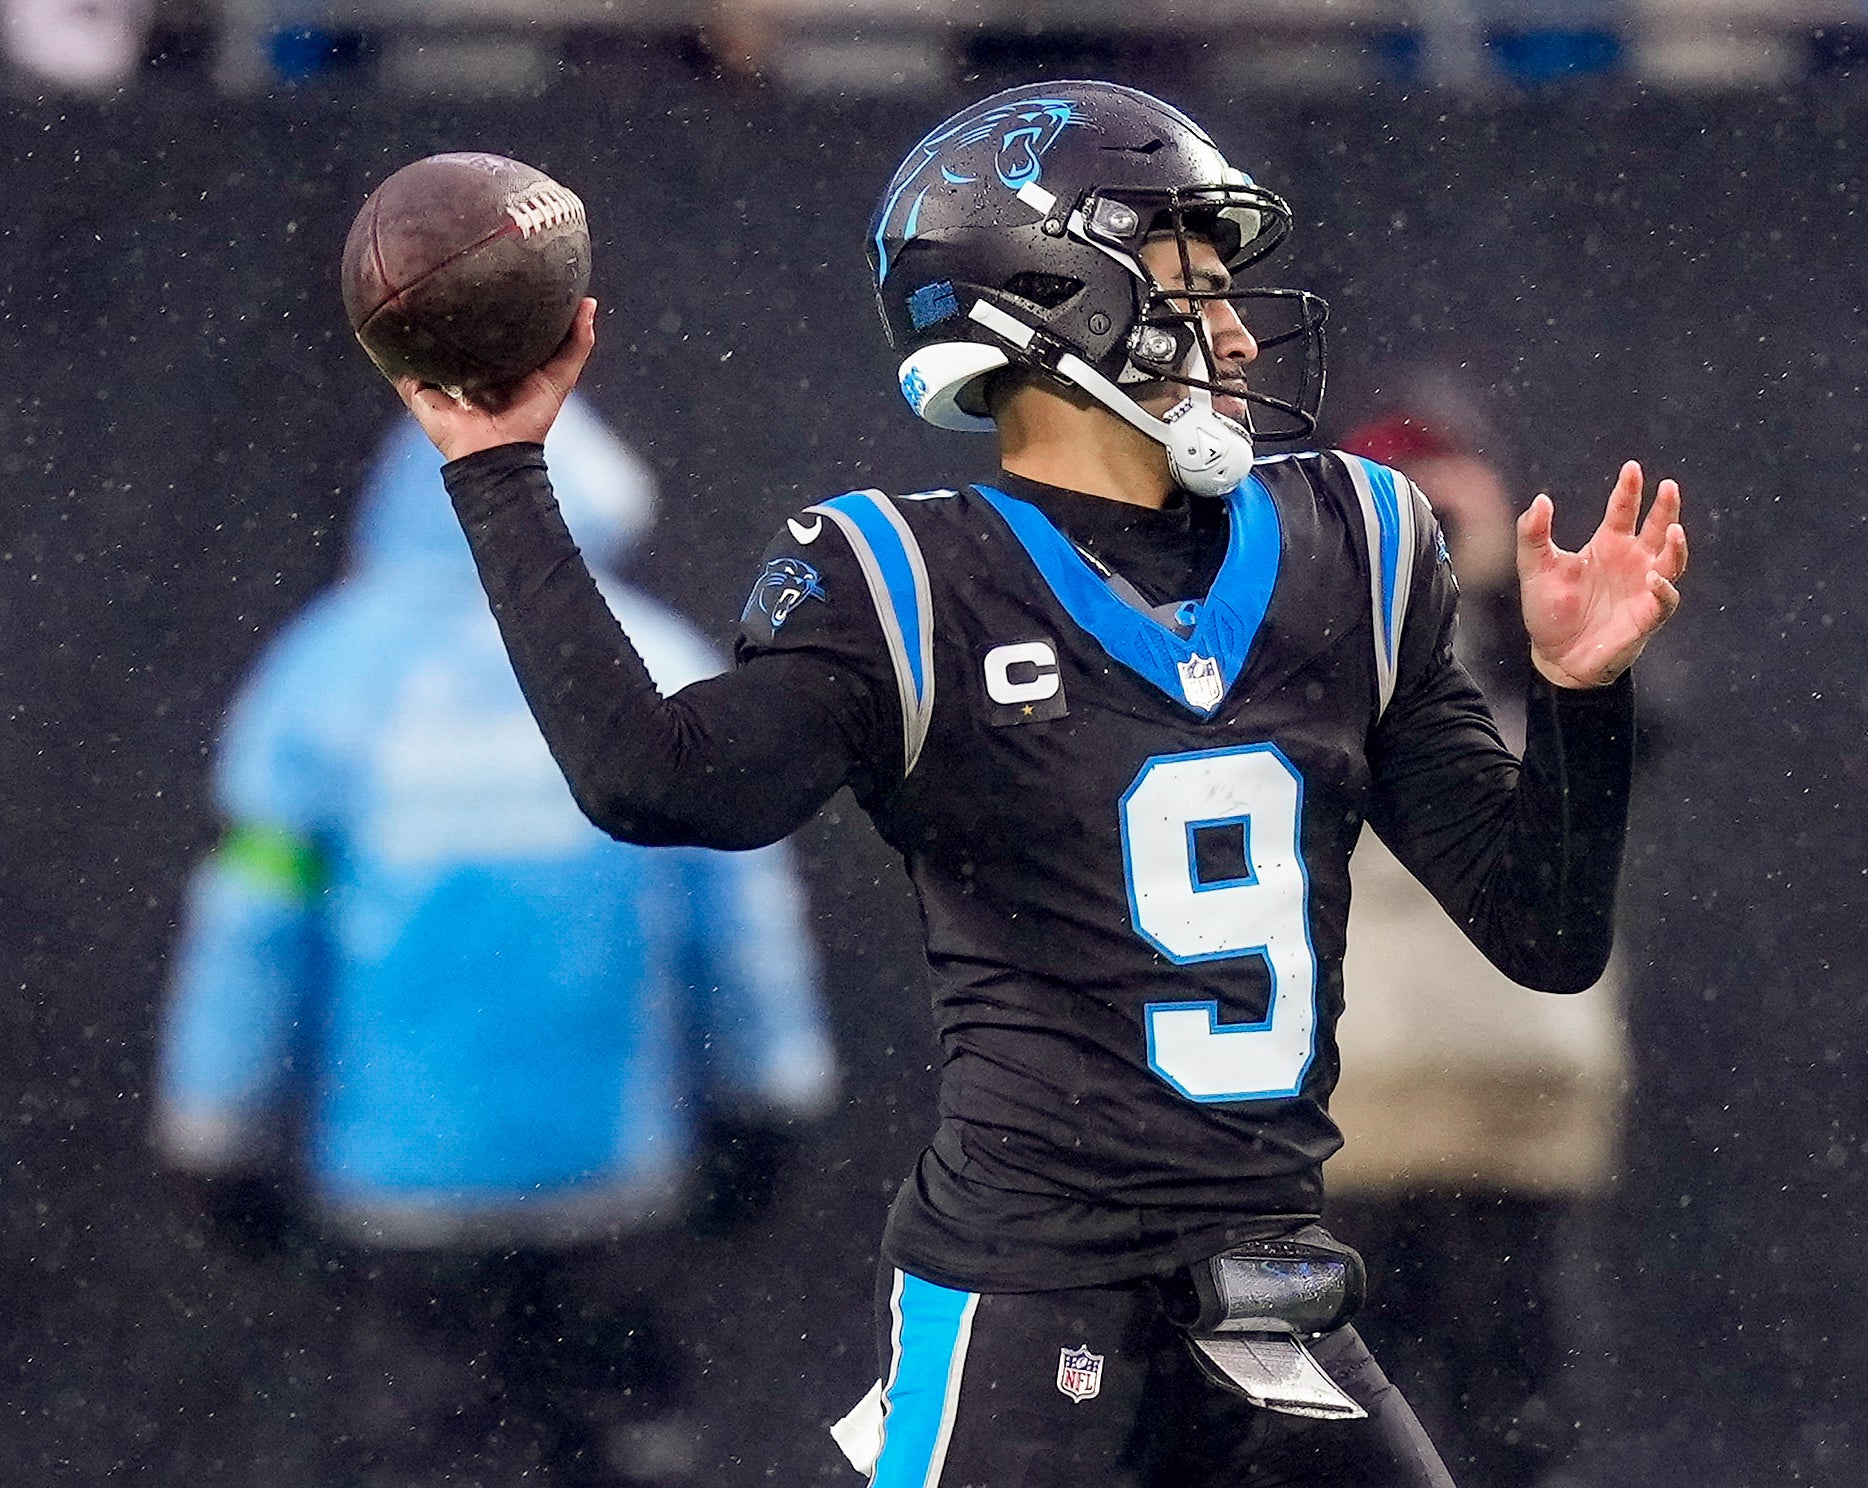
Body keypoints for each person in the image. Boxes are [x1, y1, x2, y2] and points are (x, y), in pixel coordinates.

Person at [391, 79, 1686, 1488]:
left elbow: (1543, 931)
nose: (1241, 329)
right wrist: (500, 469)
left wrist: (1576, 697)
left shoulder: (1353, 544)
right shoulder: (904, 581)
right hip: (1029, 1293)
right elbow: (659, 782)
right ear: (1056, 301)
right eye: (1193, 289)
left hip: (1273, 1290)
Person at [155, 399, 838, 1488]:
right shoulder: (653, 664)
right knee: (619, 1450)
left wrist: (216, 1128)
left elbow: (251, 926)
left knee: (412, 1453)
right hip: (608, 1172)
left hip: (399, 1187)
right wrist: (771, 1099)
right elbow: (740, 921)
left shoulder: (323, 681)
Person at [1322, 407, 1635, 1487]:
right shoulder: (1314, 647)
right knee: (1349, 1414)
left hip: (1512, 1097)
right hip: (1358, 1101)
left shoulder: (1525, 645)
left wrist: (1503, 600)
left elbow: (1636, 738)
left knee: (1518, 1410)